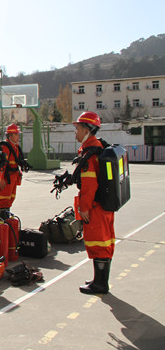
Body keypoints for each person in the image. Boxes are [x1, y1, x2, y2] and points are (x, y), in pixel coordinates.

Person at [73, 111, 115, 294]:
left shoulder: (90, 153)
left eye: (77, 128)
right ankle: (99, 279)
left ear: (86, 130)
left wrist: (84, 208)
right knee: (105, 241)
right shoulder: (98, 147)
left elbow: (89, 184)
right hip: (104, 206)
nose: (75, 132)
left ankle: (100, 284)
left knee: (98, 243)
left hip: (95, 207)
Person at [0, 123, 28, 219]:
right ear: (10, 136)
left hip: (13, 176)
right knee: (4, 199)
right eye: (16, 134)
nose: (18, 137)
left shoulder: (15, 147)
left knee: (11, 197)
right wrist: (1, 179)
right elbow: (1, 164)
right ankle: (3, 219)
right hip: (7, 178)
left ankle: (6, 218)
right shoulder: (5, 147)